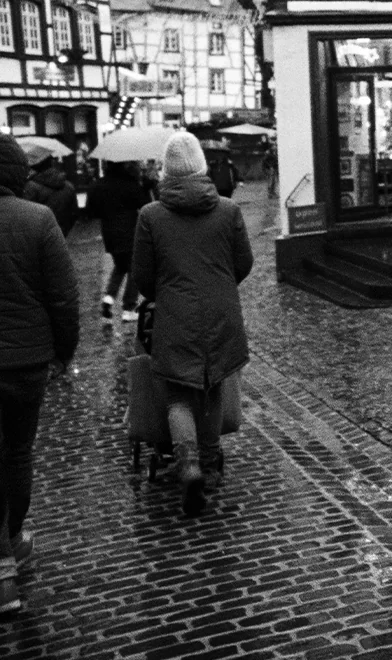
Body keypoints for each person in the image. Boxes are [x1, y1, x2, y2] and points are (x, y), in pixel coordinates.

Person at [131, 132, 253, 517]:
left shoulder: (151, 216)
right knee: (213, 387)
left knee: (177, 396)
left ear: (166, 170)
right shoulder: (228, 210)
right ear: (201, 164)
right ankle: (211, 463)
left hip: (175, 315)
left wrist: (167, 291)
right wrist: (219, 285)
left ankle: (188, 465)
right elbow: (244, 263)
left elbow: (143, 277)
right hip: (221, 313)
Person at [0, 132, 80, 617]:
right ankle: (13, 542)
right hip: (27, 361)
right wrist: (63, 352)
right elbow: (63, 296)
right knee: (18, 452)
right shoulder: (37, 218)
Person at [84, 161, 153, 326]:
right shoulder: (129, 184)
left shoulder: (97, 185)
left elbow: (90, 211)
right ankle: (129, 308)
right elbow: (144, 204)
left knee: (121, 266)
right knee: (134, 268)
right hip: (129, 231)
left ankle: (109, 297)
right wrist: (146, 186)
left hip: (109, 233)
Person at [21, 147, 77, 237]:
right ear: (51, 163)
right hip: (62, 234)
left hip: (39, 236)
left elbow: (25, 217)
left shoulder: (30, 187)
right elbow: (74, 214)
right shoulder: (68, 186)